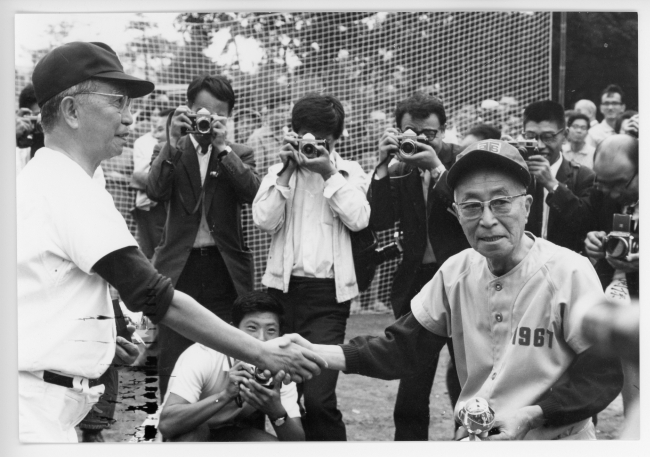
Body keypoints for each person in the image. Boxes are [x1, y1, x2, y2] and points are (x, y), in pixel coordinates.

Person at [17, 41, 325, 443]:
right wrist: (262, 352)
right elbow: (154, 294)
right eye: (118, 102)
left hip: (49, 402)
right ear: (72, 110)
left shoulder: (60, 181)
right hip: (34, 408)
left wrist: (112, 335)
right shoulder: (65, 187)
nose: (130, 118)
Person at [303, 139, 623, 440]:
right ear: (456, 214)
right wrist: (311, 352)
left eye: (500, 202)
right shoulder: (455, 272)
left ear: (527, 206)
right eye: (471, 206)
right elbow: (402, 348)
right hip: (477, 438)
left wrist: (532, 415)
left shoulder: (569, 271)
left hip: (554, 441)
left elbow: (602, 374)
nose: (486, 219)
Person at [252, 93, 370, 441]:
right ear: (295, 133)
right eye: (308, 138)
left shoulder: (350, 173)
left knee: (318, 398)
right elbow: (263, 219)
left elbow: (360, 219)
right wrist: (287, 171)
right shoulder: (279, 172)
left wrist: (329, 173)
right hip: (280, 291)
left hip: (328, 298)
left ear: (335, 140)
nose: (314, 147)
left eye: (324, 140)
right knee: (271, 388)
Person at [146, 75, 261, 398]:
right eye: (200, 112)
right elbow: (155, 191)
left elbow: (253, 194)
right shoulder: (171, 149)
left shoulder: (240, 152)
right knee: (173, 354)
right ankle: (175, 428)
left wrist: (223, 149)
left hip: (225, 268)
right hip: (179, 268)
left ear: (228, 117)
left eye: (217, 115)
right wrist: (171, 139)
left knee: (234, 351)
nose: (206, 120)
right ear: (187, 110)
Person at [369, 92, 466, 440]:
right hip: (418, 283)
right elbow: (376, 219)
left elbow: (466, 209)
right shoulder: (397, 168)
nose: (422, 140)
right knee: (412, 379)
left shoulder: (462, 161)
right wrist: (381, 166)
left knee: (467, 374)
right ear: (398, 131)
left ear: (444, 131)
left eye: (431, 134)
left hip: (462, 279)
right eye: (412, 132)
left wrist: (436, 168)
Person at [158, 291, 305, 442]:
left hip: (227, 432)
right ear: (232, 331)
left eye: (271, 330)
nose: (261, 339)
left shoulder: (279, 368)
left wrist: (276, 411)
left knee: (271, 447)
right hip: (186, 433)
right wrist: (225, 396)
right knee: (195, 433)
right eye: (252, 328)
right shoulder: (203, 355)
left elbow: (297, 444)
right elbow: (167, 424)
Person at [583, 134, 639, 418]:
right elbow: (593, 229)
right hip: (619, 313)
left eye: (619, 184)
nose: (612, 193)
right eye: (603, 184)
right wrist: (593, 240)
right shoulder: (602, 195)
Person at [520, 100, 595, 254]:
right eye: (531, 137)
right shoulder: (518, 174)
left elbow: (586, 223)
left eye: (548, 137)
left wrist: (552, 185)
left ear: (565, 135)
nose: (539, 145)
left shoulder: (583, 176)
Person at [131, 108, 172, 259]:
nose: (156, 134)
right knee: (152, 255)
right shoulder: (144, 142)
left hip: (171, 209)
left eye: (161, 129)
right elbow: (139, 177)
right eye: (155, 128)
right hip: (150, 206)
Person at [247, 94, 292, 175]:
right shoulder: (257, 138)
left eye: (287, 111)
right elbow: (256, 173)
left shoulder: (289, 136)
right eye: (280, 111)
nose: (285, 115)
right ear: (270, 112)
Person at [15, 83, 44, 174]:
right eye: (35, 117)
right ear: (24, 117)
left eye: (44, 116)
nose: (41, 124)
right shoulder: (20, 151)